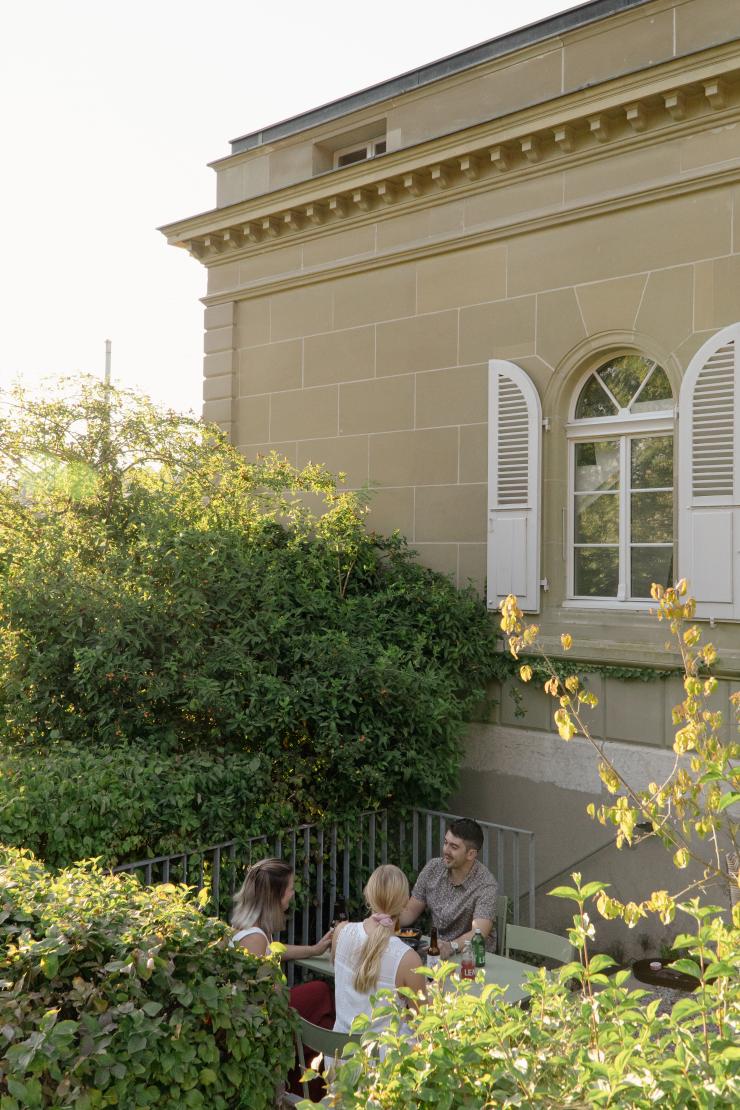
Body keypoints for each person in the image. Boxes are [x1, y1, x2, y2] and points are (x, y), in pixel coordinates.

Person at [231, 857, 335, 1029]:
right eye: (290, 889)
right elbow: (257, 997)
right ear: (275, 895)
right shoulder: (254, 938)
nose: (293, 893)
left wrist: (314, 949)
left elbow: (274, 951)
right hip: (266, 1021)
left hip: (271, 1011)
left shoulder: (252, 927)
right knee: (321, 991)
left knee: (324, 1021)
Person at [332, 864, 424, 1036]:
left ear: (367, 894)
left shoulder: (340, 932)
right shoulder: (408, 959)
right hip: (383, 1061)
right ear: (405, 903)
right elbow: (422, 1024)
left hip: (338, 1056)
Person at [400, 817, 497, 958]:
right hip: (437, 953)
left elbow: (479, 932)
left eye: (454, 847)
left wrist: (451, 946)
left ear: (471, 854)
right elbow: (410, 911)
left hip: (473, 959)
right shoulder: (433, 868)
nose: (446, 850)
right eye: (446, 843)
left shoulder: (485, 884)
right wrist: (386, 920)